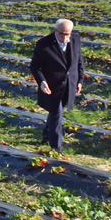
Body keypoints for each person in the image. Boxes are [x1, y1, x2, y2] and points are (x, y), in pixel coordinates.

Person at [30, 19, 84, 153]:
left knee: (57, 111)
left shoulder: (76, 40)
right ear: (55, 31)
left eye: (68, 34)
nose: (65, 37)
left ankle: (47, 134)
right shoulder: (44, 44)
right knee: (56, 112)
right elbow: (35, 66)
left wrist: (80, 80)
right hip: (52, 85)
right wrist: (42, 81)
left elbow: (79, 61)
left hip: (69, 84)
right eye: (62, 34)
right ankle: (56, 146)